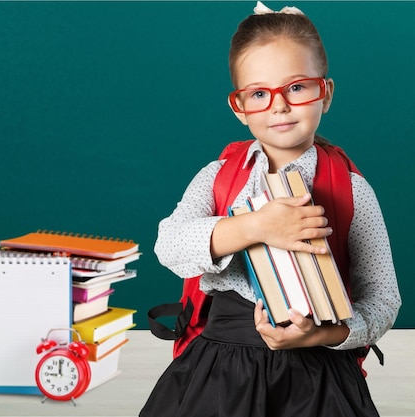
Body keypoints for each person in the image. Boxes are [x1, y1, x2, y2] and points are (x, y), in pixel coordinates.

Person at [140, 2, 401, 417]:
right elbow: (168, 246)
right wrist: (257, 225)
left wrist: (321, 335)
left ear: (325, 93)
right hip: (220, 368)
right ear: (239, 108)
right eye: (259, 94)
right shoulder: (219, 176)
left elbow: (384, 298)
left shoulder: (353, 190)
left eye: (296, 87)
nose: (279, 106)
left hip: (319, 375)